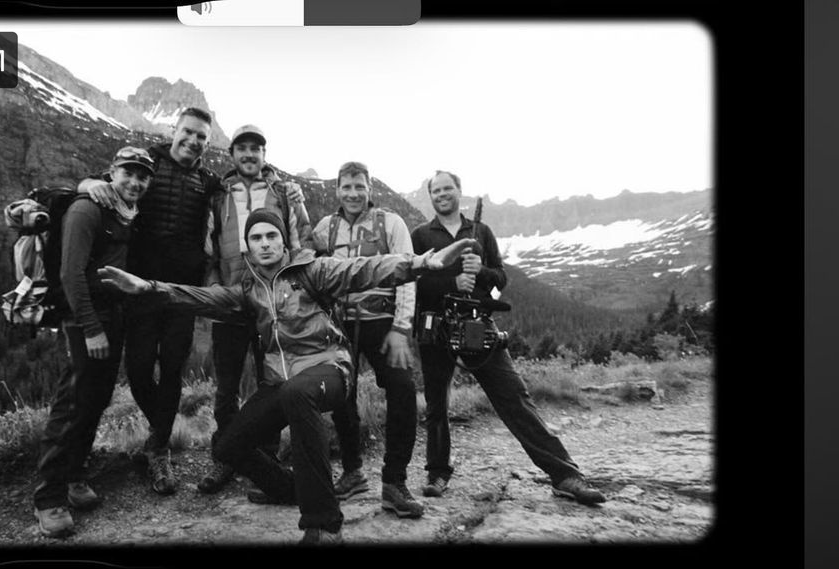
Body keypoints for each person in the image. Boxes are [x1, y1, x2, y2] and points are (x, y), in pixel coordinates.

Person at [97, 211, 480, 544]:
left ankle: (324, 525)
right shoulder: (248, 291)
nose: (265, 243)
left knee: (299, 393)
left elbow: (364, 268)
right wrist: (149, 288)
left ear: (283, 241)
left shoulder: (312, 271)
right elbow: (203, 298)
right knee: (227, 446)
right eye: (256, 238)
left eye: (271, 236)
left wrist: (422, 263)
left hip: (329, 369)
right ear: (248, 248)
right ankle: (290, 489)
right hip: (280, 382)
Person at [410, 170, 606, 505]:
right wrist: (451, 283)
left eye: (447, 188)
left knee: (514, 398)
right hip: (437, 330)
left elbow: (501, 277)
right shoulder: (420, 235)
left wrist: (482, 271)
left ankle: (564, 475)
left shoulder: (482, 232)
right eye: (436, 190)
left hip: (478, 327)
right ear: (430, 196)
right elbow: (413, 280)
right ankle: (437, 473)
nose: (442, 194)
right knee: (436, 406)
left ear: (459, 190)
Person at [78, 107, 223, 496]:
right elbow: (103, 180)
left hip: (181, 294)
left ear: (208, 142)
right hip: (138, 288)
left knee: (172, 369)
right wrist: (86, 185)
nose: (193, 140)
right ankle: (162, 435)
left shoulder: (208, 181)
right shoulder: (147, 164)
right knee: (139, 369)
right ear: (175, 130)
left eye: (201, 137)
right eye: (188, 132)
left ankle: (158, 449)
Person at [33, 147, 156, 538]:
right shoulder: (87, 209)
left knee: (96, 399)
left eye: (142, 176)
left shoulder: (127, 212)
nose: (135, 181)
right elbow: (71, 275)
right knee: (72, 403)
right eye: (128, 173)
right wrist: (90, 328)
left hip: (113, 315)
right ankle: (48, 498)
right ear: (112, 172)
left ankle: (74, 475)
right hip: (85, 318)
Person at [197, 124, 312, 494]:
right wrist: (214, 287)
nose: (249, 154)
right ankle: (226, 457)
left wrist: (293, 290)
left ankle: (268, 459)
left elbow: (301, 241)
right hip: (231, 303)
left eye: (255, 149)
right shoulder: (218, 194)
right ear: (232, 154)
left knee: (273, 384)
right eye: (242, 148)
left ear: (264, 154)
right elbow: (209, 248)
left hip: (272, 303)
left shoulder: (282, 192)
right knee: (226, 387)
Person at [311, 161, 423, 518]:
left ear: (369, 189)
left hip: (383, 323)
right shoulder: (325, 228)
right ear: (337, 190)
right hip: (339, 325)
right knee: (341, 397)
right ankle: (353, 472)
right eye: (346, 187)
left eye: (359, 186)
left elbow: (408, 273)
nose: (353, 193)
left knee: (402, 390)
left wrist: (401, 329)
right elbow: (310, 269)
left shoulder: (391, 223)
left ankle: (394, 482)